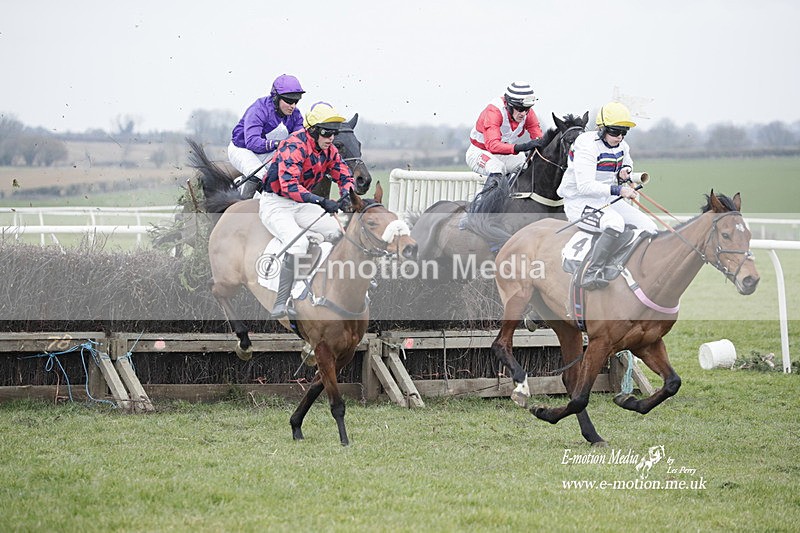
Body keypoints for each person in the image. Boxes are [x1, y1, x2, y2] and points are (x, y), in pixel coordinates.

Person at [259, 101, 355, 318]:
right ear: (313, 131)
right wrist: (321, 201)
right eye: (326, 133)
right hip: (276, 203)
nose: (331, 138)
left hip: (301, 205)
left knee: (339, 232)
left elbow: (344, 175)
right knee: (299, 242)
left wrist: (347, 196)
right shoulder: (294, 145)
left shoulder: (328, 150)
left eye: (334, 133)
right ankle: (283, 300)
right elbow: (289, 186)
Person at [556, 101, 658, 290]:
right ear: (601, 129)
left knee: (650, 228)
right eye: (615, 131)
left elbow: (627, 163)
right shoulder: (586, 145)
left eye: (624, 132)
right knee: (615, 223)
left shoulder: (622, 145)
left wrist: (625, 172)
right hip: (579, 202)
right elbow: (585, 186)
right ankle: (591, 272)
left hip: (607, 200)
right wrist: (619, 190)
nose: (619, 137)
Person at [228, 74, 305, 198]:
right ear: (276, 98)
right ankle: (242, 206)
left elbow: (301, 139)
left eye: (296, 101)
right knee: (259, 175)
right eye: (289, 101)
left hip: (268, 150)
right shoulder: (258, 109)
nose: (293, 106)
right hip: (243, 148)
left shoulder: (295, 114)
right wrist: (278, 144)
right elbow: (252, 142)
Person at [466, 81, 545, 180]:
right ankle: (489, 196)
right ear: (509, 105)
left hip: (503, 154)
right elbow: (493, 145)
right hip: (479, 152)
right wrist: (523, 147)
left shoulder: (528, 114)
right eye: (520, 109)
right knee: (497, 168)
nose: (524, 113)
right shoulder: (494, 112)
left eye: (527, 109)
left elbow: (539, 139)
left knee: (527, 164)